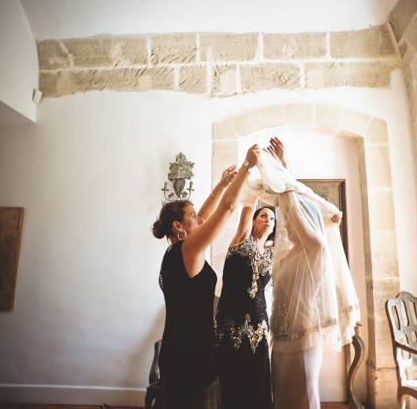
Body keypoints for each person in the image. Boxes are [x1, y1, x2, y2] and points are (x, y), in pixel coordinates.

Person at [246, 137, 360, 409]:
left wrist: (280, 172)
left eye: (287, 220)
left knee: (304, 401)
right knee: (283, 401)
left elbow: (294, 207)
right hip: (281, 341)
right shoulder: (289, 254)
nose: (283, 225)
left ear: (307, 221)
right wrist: (282, 169)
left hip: (303, 343)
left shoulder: (317, 249)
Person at [151, 144, 261, 409]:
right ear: (178, 226)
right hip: (189, 357)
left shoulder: (174, 251)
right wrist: (246, 166)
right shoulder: (187, 249)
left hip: (179, 351)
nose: (199, 219)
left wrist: (221, 185)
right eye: (192, 216)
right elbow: (226, 208)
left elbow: (205, 214)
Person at [214, 199, 276, 409]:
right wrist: (255, 168)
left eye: (272, 218)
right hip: (232, 324)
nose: (268, 220)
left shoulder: (270, 254)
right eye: (263, 216)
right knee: (234, 382)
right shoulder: (241, 241)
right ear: (254, 221)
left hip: (260, 326)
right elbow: (248, 206)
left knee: (258, 382)